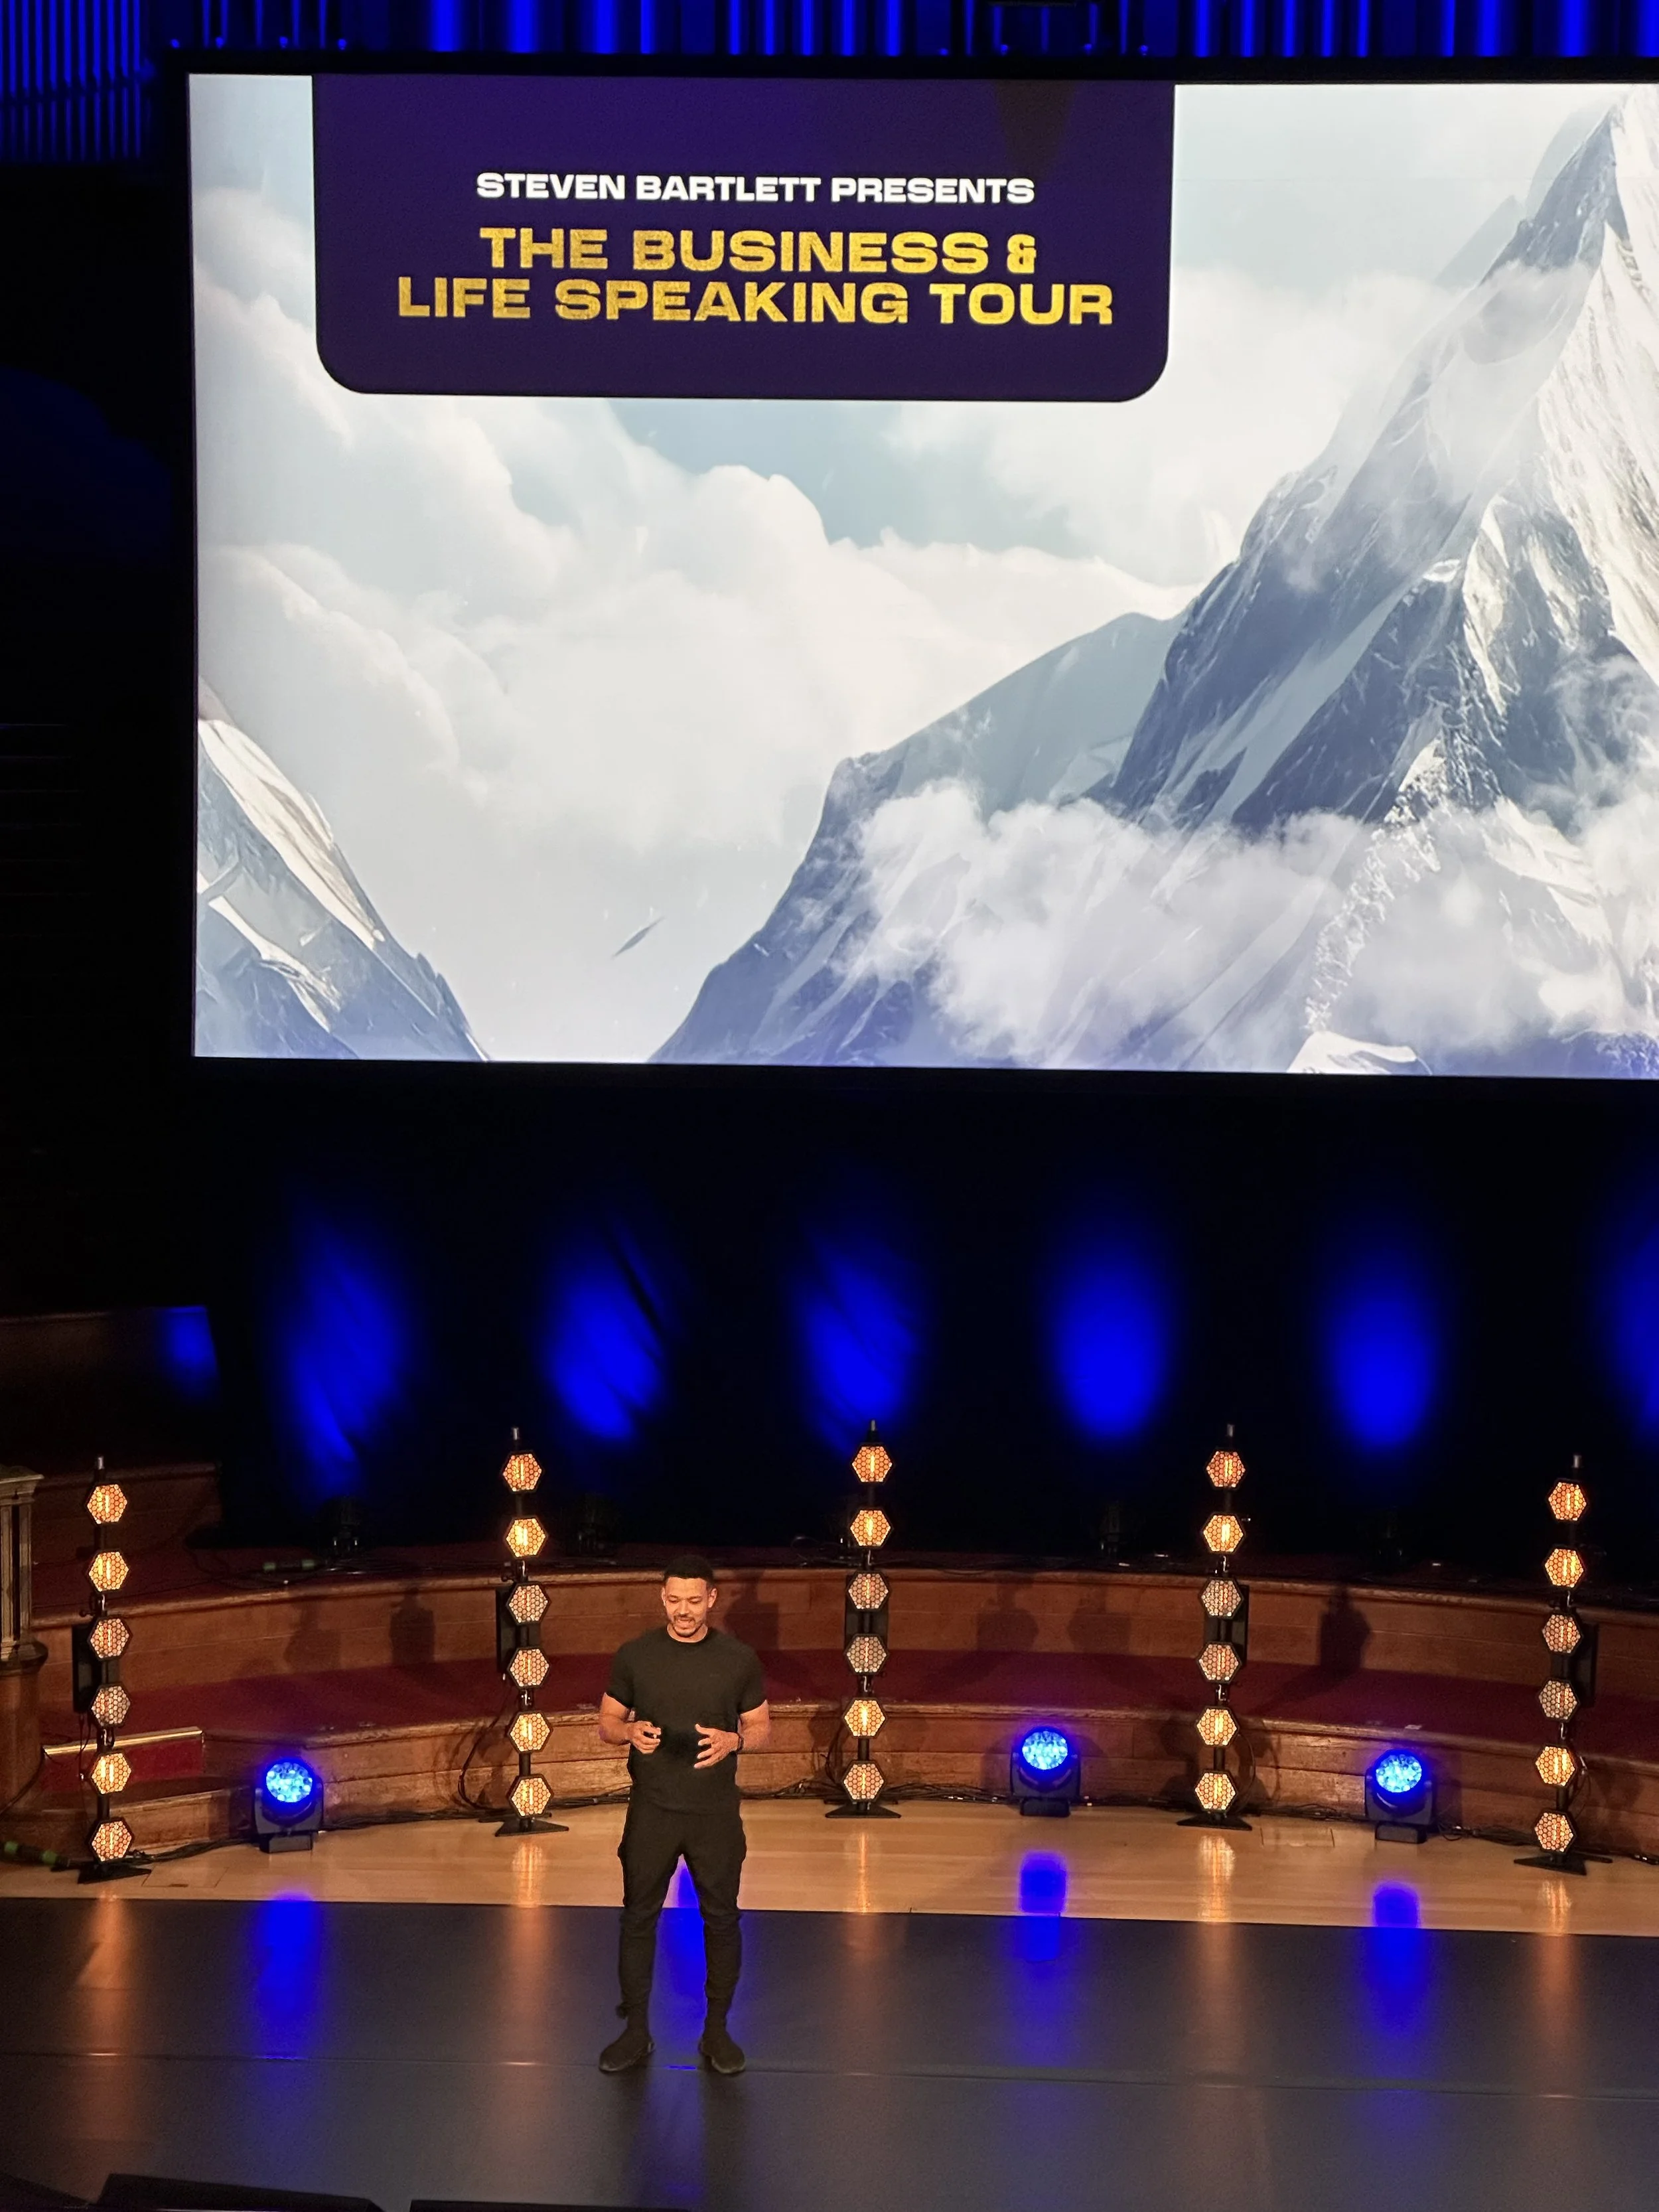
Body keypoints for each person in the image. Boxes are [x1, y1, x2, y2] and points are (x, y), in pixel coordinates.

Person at [595, 1553, 770, 2076]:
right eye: (674, 1600)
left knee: (721, 1919)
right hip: (652, 1809)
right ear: (662, 1597)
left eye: (694, 1601)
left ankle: (716, 2031)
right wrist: (628, 1732)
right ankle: (635, 2031)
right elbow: (606, 1718)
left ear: (712, 1599)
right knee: (638, 1917)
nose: (683, 1611)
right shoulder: (635, 1655)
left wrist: (735, 1739)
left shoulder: (739, 1659)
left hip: (714, 1812)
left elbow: (762, 1728)